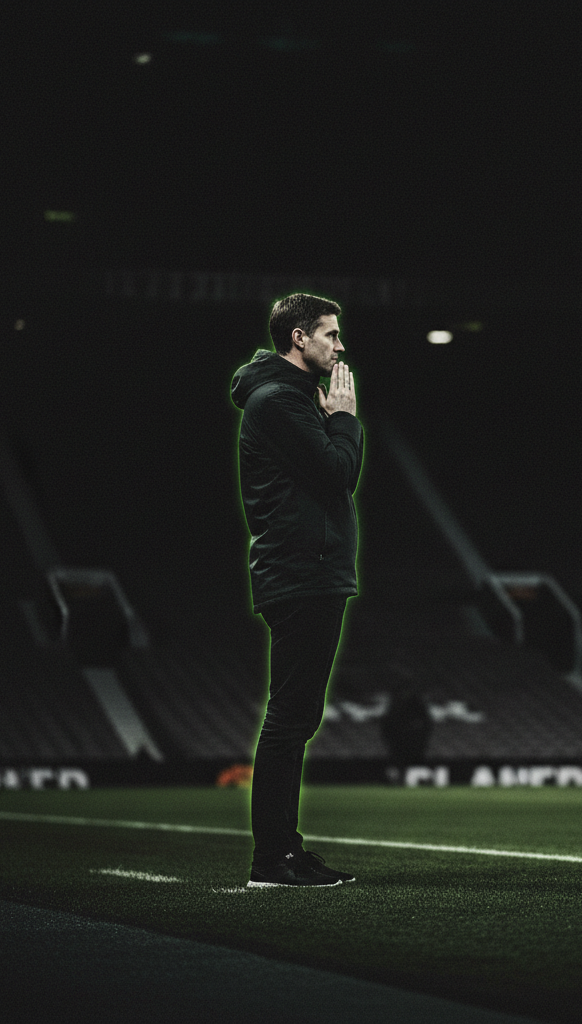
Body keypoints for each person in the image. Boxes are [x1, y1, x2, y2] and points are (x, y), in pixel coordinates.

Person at [230, 293, 363, 887]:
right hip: (301, 571)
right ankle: (272, 859)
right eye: (330, 335)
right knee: (288, 721)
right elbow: (339, 474)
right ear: (299, 339)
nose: (339, 346)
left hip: (305, 569)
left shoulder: (283, 395)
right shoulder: (281, 399)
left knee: (296, 719)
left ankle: (286, 849)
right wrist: (344, 419)